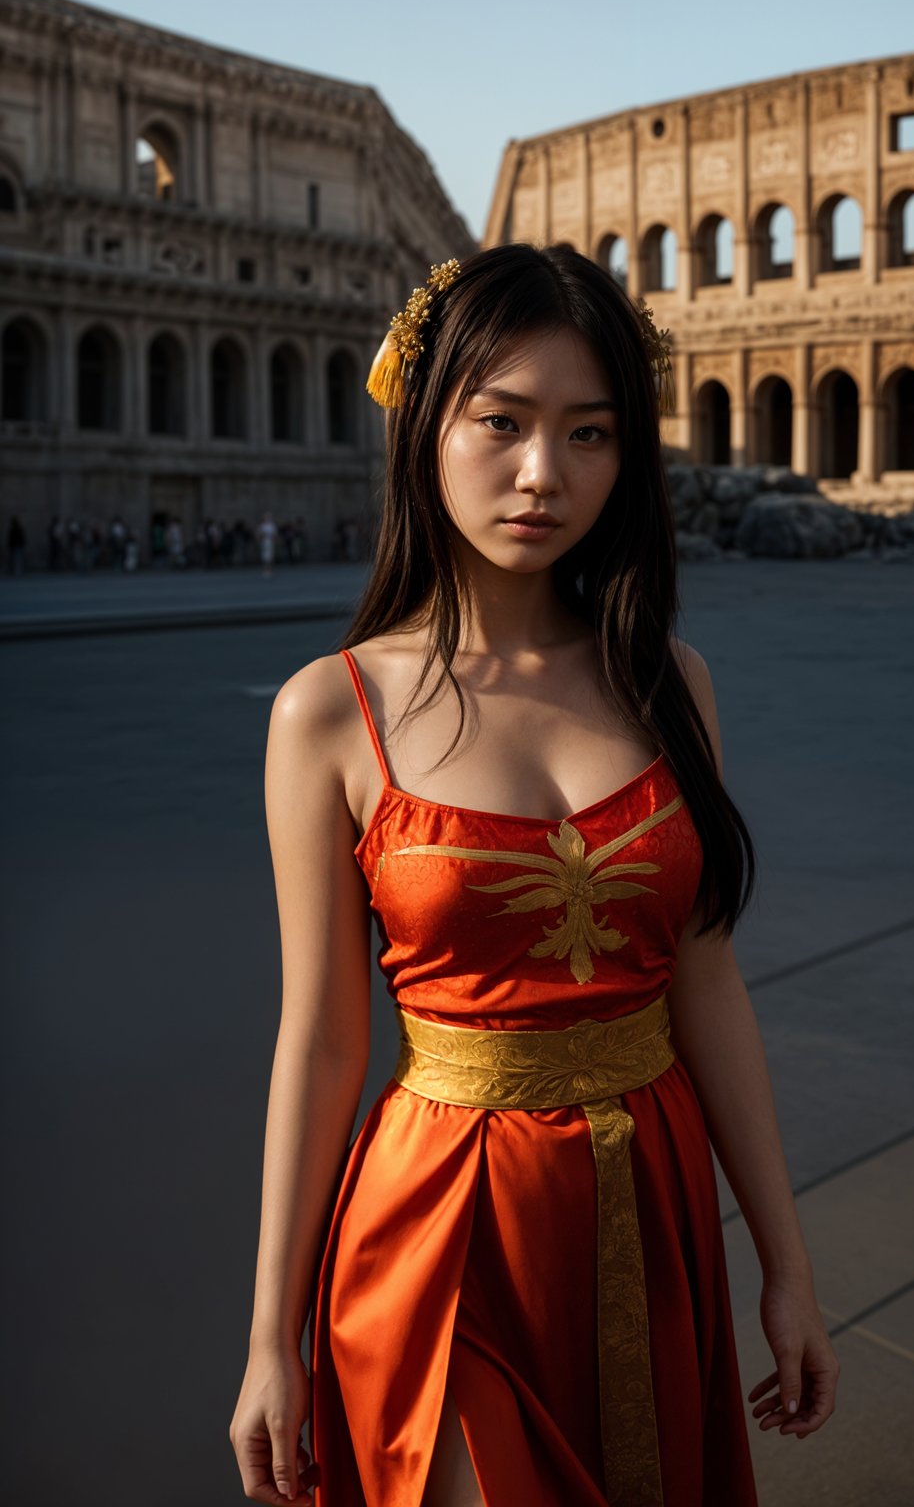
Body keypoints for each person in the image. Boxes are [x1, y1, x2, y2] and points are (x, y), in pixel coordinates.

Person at [229, 245, 840, 1507]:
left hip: (652, 1194)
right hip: (440, 1216)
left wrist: (785, 1265)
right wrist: (265, 1343)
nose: (541, 474)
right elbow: (321, 1043)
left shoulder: (672, 684)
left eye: (590, 433)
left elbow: (707, 985)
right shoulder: (328, 717)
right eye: (499, 422)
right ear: (424, 425)